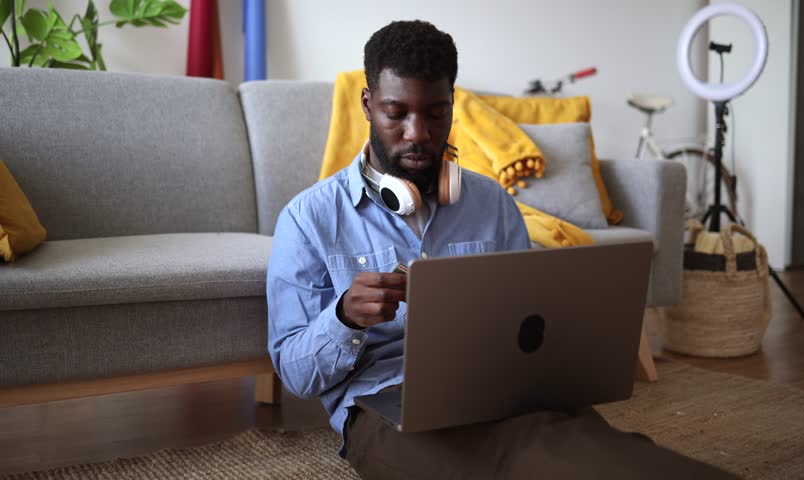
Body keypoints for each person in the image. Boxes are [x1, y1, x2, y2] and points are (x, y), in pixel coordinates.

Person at [267, 20, 735, 480]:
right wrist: (345, 317)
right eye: (397, 113)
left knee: (582, 447)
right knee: (516, 462)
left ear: (452, 105)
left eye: (435, 113)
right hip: (384, 403)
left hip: (500, 391)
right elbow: (295, 374)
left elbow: (530, 327)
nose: (418, 133)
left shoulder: (492, 203)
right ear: (368, 105)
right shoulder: (308, 219)